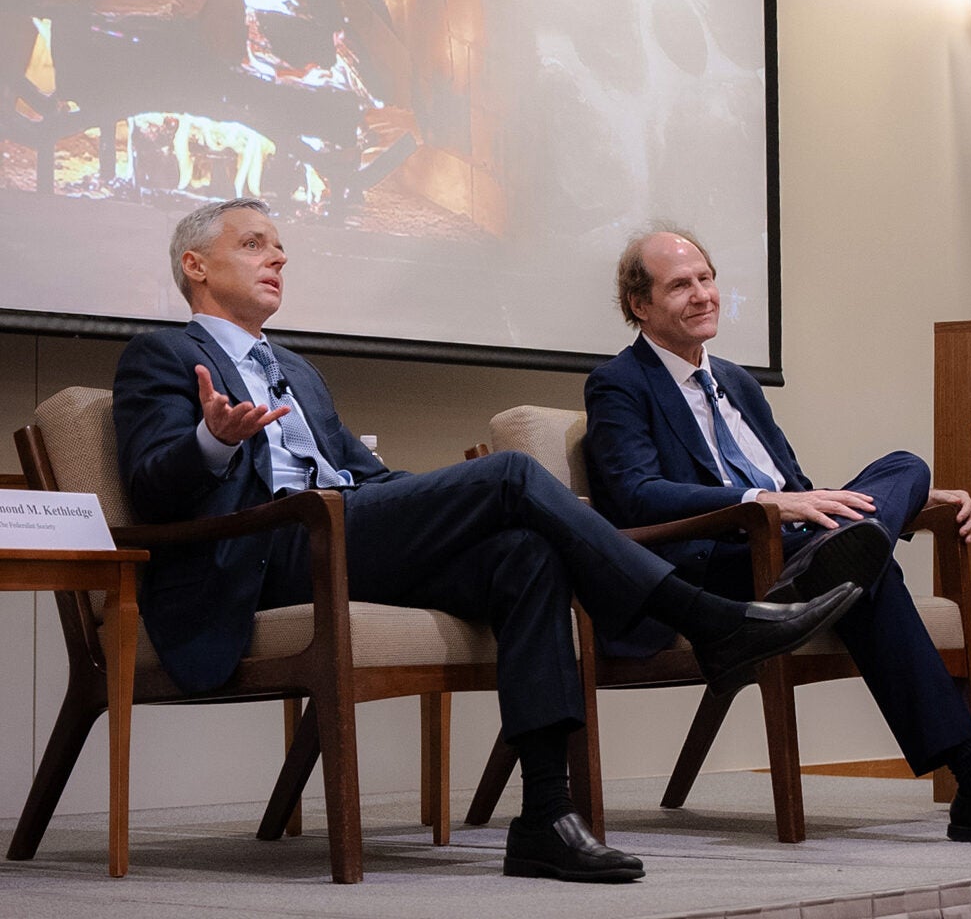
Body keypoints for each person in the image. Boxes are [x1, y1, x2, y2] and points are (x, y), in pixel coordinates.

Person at [112, 199, 862, 883]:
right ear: (196, 266)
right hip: (263, 556)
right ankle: (707, 620)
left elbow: (366, 476)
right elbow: (151, 488)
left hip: (342, 534)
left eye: (280, 247)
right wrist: (211, 441)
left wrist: (439, 498)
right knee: (508, 477)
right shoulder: (162, 356)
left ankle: (544, 816)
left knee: (524, 553)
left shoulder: (296, 371)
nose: (278, 258)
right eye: (254, 245)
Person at [583, 226, 971, 845]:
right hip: (714, 563)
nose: (703, 294)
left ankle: (827, 572)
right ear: (639, 305)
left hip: (789, 551)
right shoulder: (620, 383)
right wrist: (761, 500)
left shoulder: (739, 383)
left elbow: (804, 488)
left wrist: (913, 499)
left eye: (706, 278)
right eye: (680, 285)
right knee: (868, 569)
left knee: (906, 467)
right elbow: (635, 496)